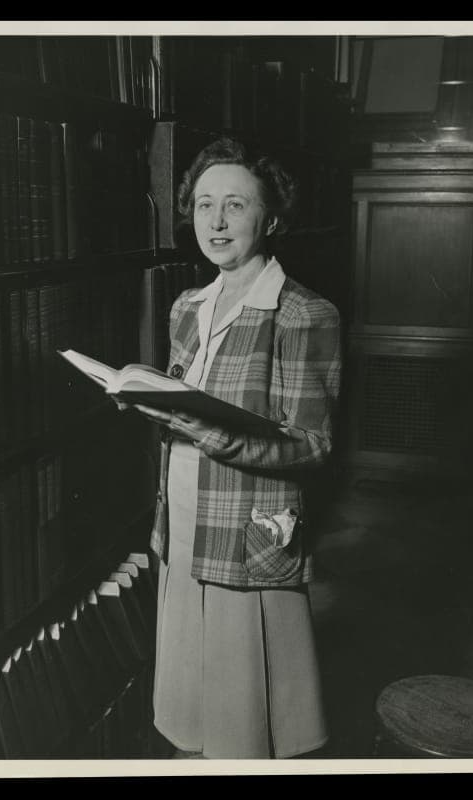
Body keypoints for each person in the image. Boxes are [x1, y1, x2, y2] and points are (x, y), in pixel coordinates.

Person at [122, 138, 341, 759]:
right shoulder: (186, 307)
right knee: (192, 699)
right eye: (203, 205)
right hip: (185, 515)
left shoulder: (302, 313)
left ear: (269, 218)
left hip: (249, 525)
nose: (215, 223)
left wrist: (205, 431)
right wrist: (148, 401)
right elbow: (186, 405)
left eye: (236, 206)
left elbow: (311, 444)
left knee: (247, 714)